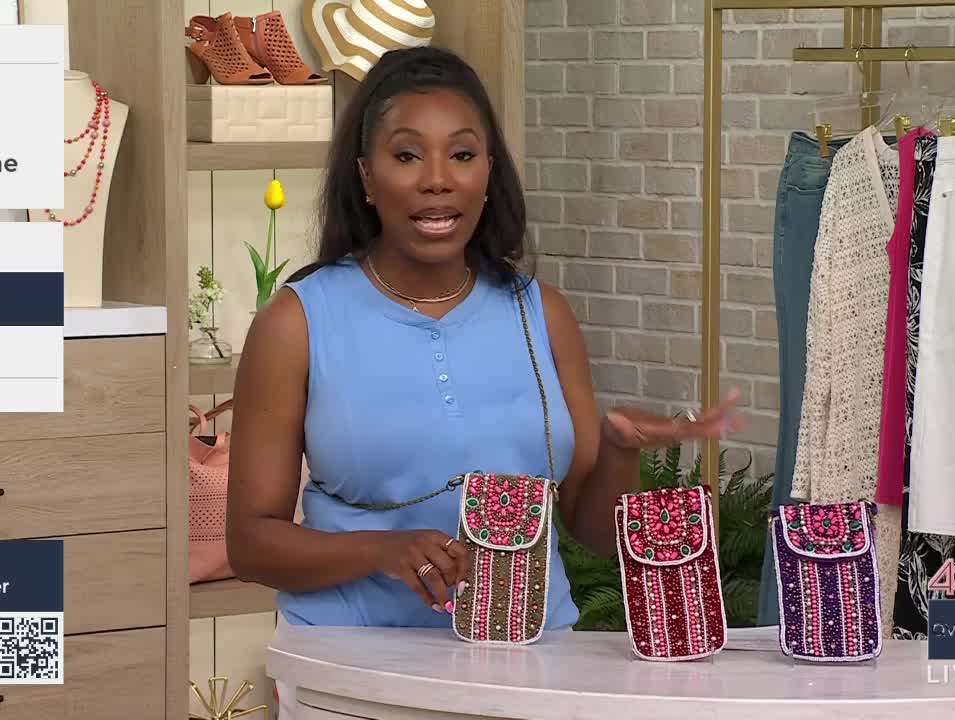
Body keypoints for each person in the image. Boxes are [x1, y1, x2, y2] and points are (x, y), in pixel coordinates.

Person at [226, 46, 741, 637]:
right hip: (354, 659)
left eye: (463, 155)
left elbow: (593, 533)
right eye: (408, 155)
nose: (438, 180)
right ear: (367, 175)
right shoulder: (297, 321)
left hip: (531, 659)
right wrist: (380, 550)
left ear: (489, 172)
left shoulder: (542, 314)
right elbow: (251, 543)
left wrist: (621, 449)